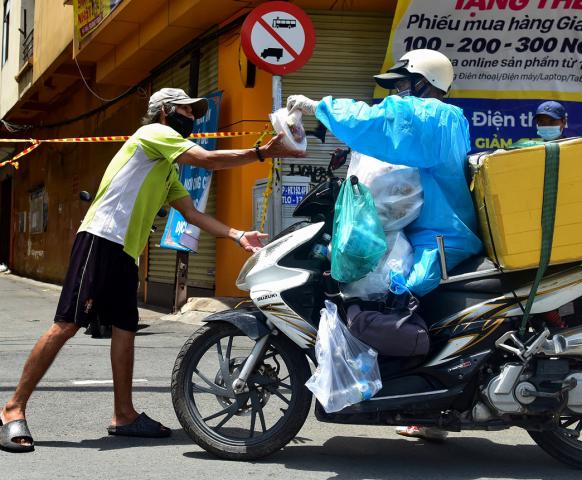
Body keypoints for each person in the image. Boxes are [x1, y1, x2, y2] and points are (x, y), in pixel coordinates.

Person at [0, 87, 301, 453]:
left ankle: (123, 415)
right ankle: (12, 407)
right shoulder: (152, 134)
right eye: (187, 111)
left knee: (125, 329)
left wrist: (238, 235)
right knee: (68, 323)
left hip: (126, 252)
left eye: (194, 112)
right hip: (101, 238)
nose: (192, 118)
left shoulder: (167, 169)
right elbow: (206, 160)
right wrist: (260, 153)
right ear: (165, 112)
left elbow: (192, 214)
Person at [287, 49, 483, 442]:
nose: (398, 92)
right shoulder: (438, 120)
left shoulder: (432, 116)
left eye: (402, 84)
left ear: (425, 83)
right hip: (427, 230)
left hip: (443, 238)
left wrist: (319, 106)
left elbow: (376, 122)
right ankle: (425, 407)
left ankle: (415, 394)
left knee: (392, 294)